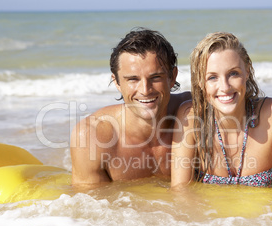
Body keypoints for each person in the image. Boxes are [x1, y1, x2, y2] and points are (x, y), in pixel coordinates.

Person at [171, 32, 272, 194]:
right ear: (200, 82)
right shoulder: (190, 117)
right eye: (212, 77)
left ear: (247, 71)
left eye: (233, 73)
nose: (225, 87)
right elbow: (180, 193)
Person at [71, 28, 190, 186]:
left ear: (172, 76)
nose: (145, 90)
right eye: (133, 79)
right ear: (117, 82)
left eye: (155, 77)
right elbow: (91, 207)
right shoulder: (92, 137)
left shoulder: (195, 113)